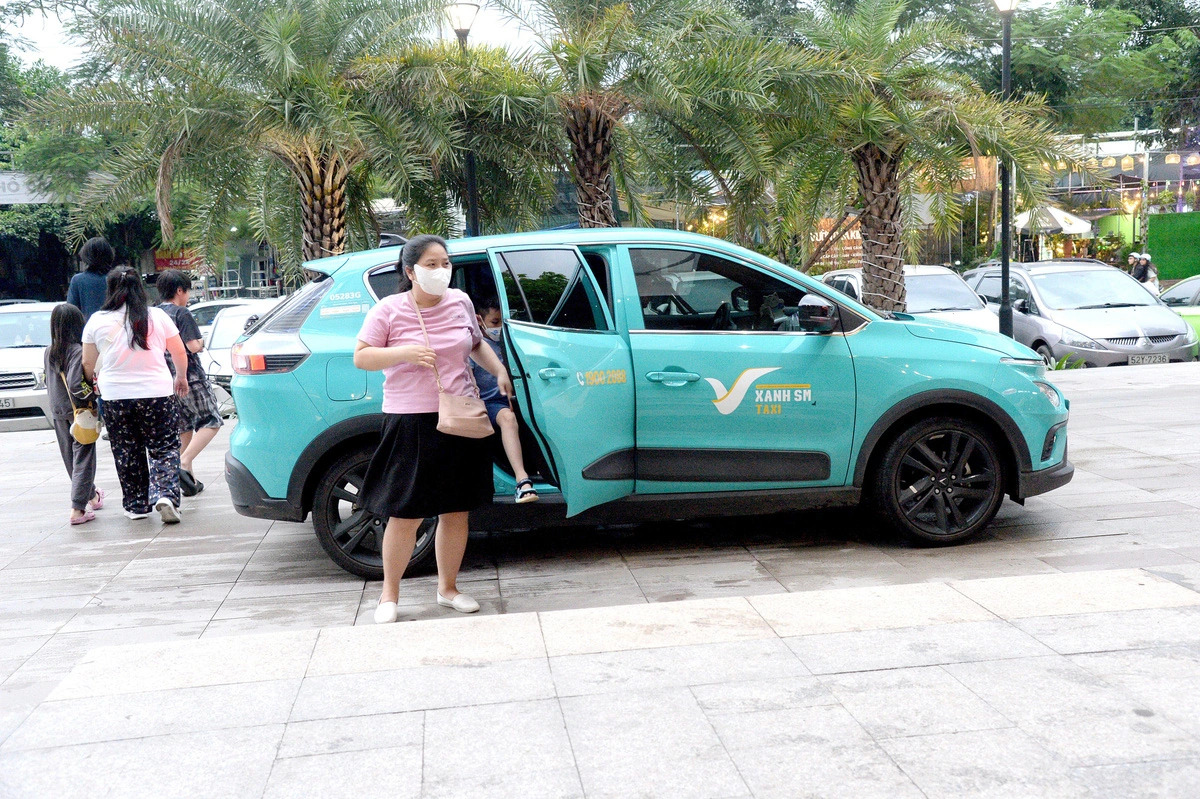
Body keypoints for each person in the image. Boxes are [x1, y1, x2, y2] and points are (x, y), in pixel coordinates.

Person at [353, 234, 513, 624]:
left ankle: (448, 588)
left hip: (459, 416)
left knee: (456, 511)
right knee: (405, 512)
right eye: (431, 264)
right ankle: (388, 595)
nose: (441, 271)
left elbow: (475, 344)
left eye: (445, 263)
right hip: (411, 419)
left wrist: (499, 370)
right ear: (410, 272)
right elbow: (361, 357)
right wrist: (403, 353)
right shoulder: (389, 310)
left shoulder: (460, 301)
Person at [82, 266, 189, 524]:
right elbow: (179, 352)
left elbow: (87, 363)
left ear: (110, 290)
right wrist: (181, 377)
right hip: (157, 393)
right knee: (164, 447)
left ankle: (136, 505)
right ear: (140, 289)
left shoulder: (96, 320)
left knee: (127, 451)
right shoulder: (157, 316)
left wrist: (90, 385)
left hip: (116, 396)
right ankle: (165, 494)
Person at [156, 269, 223, 495]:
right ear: (179, 290)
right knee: (211, 421)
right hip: (189, 376)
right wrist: (202, 341)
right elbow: (193, 346)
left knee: (183, 428)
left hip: (165, 378)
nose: (188, 295)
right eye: (188, 290)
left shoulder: (154, 314)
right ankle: (183, 462)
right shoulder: (181, 313)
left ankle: (189, 482)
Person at [471, 298, 539, 504]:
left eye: (503, 322)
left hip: (516, 400)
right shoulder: (476, 347)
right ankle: (522, 480)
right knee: (508, 419)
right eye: (494, 322)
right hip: (489, 404)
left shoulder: (510, 343)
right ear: (479, 320)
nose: (499, 327)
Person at [45, 303, 105, 525]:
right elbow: (75, 384)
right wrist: (93, 394)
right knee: (84, 458)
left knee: (71, 458)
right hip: (79, 411)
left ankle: (91, 495)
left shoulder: (49, 351)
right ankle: (78, 509)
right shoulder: (77, 350)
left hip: (58, 410)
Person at [66, 238, 116, 321]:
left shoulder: (78, 280)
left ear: (85, 256)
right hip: (115, 330)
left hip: (87, 331)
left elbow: (71, 313)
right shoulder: (117, 279)